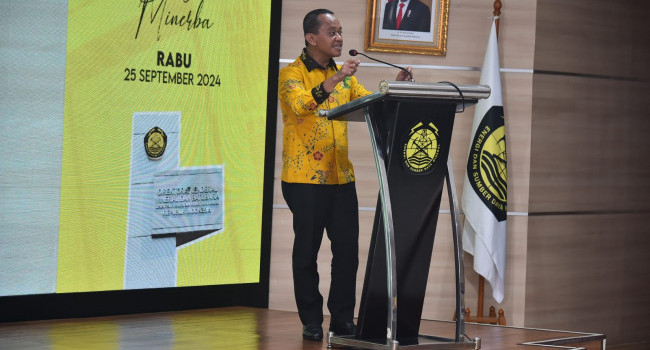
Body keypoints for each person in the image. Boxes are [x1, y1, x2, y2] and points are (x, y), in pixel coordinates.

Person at [278, 8, 413, 341]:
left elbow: (371, 104)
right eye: (332, 32)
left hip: (341, 178)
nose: (339, 38)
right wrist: (336, 79)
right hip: (303, 180)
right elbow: (300, 106)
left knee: (348, 253)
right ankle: (311, 320)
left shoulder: (346, 77)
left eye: (340, 31)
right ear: (312, 38)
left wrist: (392, 90)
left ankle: (342, 320)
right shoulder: (291, 74)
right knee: (306, 252)